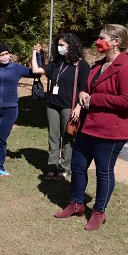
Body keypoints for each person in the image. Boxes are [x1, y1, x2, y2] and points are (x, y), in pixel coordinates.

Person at [54, 24, 128, 231]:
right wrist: (83, 94)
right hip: (88, 126)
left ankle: (99, 212)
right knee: (77, 165)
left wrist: (95, 99)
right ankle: (76, 204)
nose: (98, 41)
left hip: (112, 131)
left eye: (102, 38)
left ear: (115, 42)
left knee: (104, 171)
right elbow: (87, 86)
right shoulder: (96, 65)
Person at [31, 34, 90, 179]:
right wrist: (34, 53)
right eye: (58, 45)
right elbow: (35, 70)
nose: (59, 48)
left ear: (71, 46)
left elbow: (84, 89)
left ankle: (65, 168)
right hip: (52, 105)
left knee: (67, 137)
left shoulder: (82, 65)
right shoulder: (56, 63)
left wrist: (78, 107)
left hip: (69, 107)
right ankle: (52, 167)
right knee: (53, 137)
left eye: (62, 45)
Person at [0, 44, 40, 182]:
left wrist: (37, 54)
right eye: (1, 55)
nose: (5, 57)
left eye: (7, 53)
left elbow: (36, 72)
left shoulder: (16, 68)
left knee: (2, 140)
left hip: (10, 109)